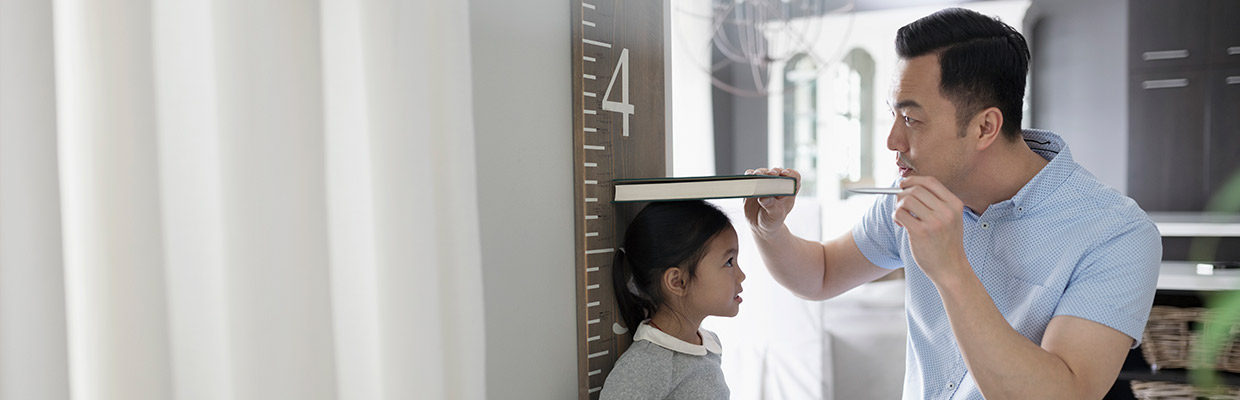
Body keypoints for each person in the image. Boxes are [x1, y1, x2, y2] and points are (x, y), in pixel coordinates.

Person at [745, 7, 1161, 400]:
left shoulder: (1116, 233)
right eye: (894, 115)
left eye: (911, 119)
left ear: (985, 127)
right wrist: (771, 230)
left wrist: (952, 271)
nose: (892, 140)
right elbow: (820, 274)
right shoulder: (913, 192)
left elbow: (1066, 394)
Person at [600, 200, 746, 400]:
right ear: (678, 282)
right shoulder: (645, 367)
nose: (741, 275)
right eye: (729, 262)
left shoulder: (709, 344)